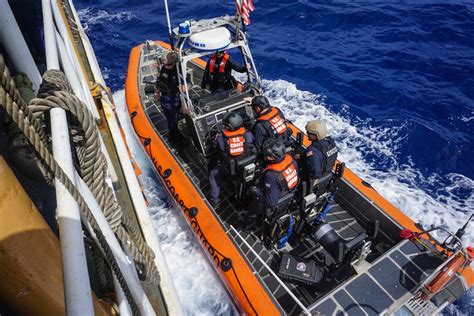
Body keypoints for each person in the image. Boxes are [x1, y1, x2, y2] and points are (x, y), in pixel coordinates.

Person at [247, 139, 298, 223]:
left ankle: (247, 225)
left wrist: (256, 191)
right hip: (288, 192)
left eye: (268, 155)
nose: (266, 157)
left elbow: (271, 203)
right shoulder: (291, 160)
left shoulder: (270, 175)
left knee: (254, 204)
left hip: (276, 199)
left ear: (275, 157)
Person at [209, 112, 255, 205]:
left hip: (230, 167)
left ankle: (215, 200)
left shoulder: (221, 138)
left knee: (213, 175)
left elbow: (215, 146)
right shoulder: (247, 134)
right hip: (246, 164)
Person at [155, 51, 181, 144]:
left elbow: (188, 83)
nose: (166, 67)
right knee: (168, 118)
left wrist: (185, 88)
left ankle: (178, 139)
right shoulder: (164, 69)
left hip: (175, 101)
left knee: (176, 120)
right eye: (165, 65)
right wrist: (157, 92)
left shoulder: (179, 70)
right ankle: (171, 133)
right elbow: (159, 81)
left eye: (168, 65)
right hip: (165, 99)